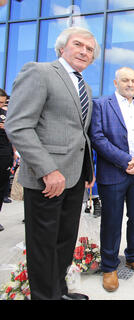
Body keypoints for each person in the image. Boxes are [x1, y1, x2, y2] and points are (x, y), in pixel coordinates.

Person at [5, 26, 99, 300]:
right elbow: (19, 125)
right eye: (78, 45)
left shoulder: (85, 87)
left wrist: (88, 171)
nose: (84, 51)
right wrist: (48, 170)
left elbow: (80, 134)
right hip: (48, 179)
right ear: (61, 49)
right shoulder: (39, 72)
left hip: (73, 178)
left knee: (64, 241)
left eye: (90, 49)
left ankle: (58, 291)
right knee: (43, 245)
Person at [89, 67, 134, 292]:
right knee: (112, 221)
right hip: (114, 174)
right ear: (116, 82)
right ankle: (109, 266)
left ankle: (133, 257)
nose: (130, 84)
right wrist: (126, 160)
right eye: (125, 80)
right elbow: (97, 137)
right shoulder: (101, 105)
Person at [0, 89, 17, 232]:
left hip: (4, 155)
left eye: (3, 102)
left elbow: (14, 133)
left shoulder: (6, 115)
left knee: (1, 187)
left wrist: (14, 152)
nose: (1, 105)